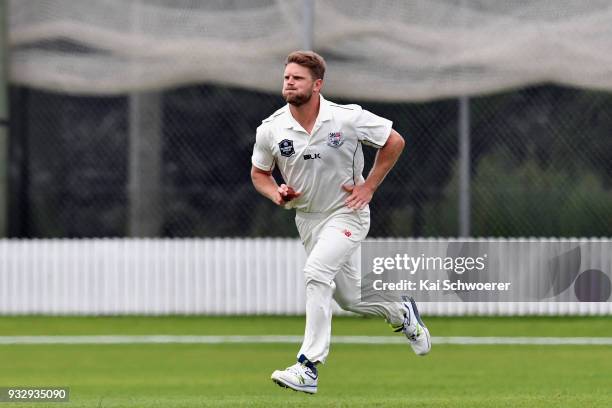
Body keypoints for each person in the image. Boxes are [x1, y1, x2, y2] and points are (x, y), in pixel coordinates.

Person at [250, 50, 431, 395]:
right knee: (350, 298)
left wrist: (368, 186)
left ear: (316, 85)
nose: (289, 82)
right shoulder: (271, 129)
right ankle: (401, 311)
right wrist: (276, 193)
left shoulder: (346, 119)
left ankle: (308, 366)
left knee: (316, 273)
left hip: (347, 212)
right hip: (308, 220)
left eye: (297, 78)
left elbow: (394, 141)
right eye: (287, 77)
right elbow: (259, 173)